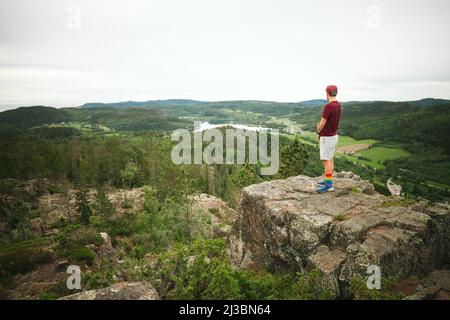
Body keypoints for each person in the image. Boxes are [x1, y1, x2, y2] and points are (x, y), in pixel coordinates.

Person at [316, 85, 341, 193]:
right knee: (330, 159)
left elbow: (322, 123)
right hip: (334, 136)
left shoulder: (328, 106)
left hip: (326, 137)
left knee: (326, 161)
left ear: (327, 93)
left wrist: (318, 131)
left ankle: (329, 185)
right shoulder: (338, 105)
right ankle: (328, 180)